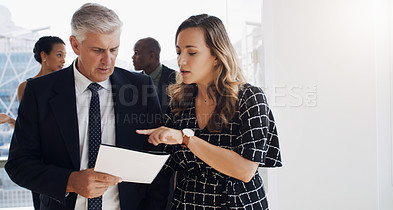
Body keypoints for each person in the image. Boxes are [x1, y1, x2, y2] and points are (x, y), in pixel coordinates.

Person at [5, 3, 171, 210]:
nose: (107, 60)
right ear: (75, 45)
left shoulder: (140, 87)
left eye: (114, 49)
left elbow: (159, 162)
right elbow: (19, 164)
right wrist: (70, 181)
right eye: (98, 50)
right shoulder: (39, 91)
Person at [137, 14, 282, 209]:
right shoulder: (180, 102)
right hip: (186, 203)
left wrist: (185, 139)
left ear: (216, 55)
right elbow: (166, 167)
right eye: (179, 52)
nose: (181, 61)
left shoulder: (250, 98)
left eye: (192, 53)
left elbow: (245, 170)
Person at [0, 36, 66, 130]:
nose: (63, 61)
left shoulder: (66, 85)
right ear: (44, 56)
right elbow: (26, 129)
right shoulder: (25, 87)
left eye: (64, 56)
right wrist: (9, 120)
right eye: (59, 55)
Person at [132, 37, 176, 114]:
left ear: (151, 56)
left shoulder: (176, 79)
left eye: (136, 53)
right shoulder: (132, 81)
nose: (132, 57)